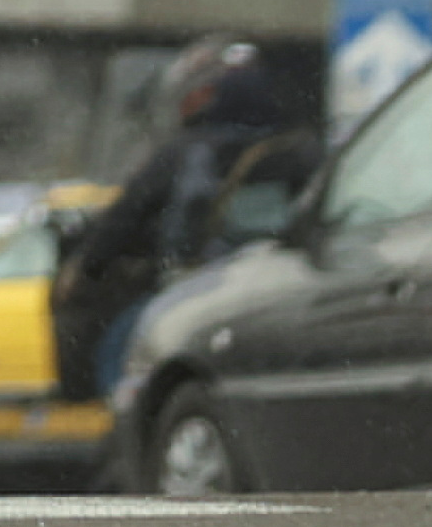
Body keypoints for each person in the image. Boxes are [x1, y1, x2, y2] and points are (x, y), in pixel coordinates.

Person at [53, 44, 281, 401]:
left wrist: (84, 267)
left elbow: (123, 219)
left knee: (122, 358)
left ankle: (127, 444)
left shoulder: (183, 154)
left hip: (197, 288)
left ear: (202, 96)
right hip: (279, 291)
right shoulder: (294, 151)